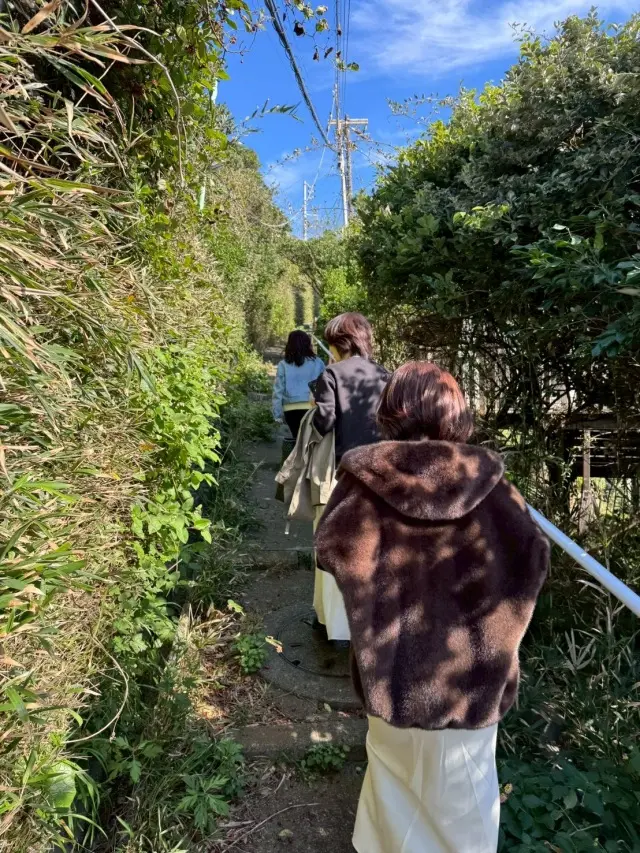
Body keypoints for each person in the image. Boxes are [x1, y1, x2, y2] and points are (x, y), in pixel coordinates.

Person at [315, 361, 550, 853]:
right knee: (464, 806)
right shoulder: (490, 484)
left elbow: (330, 546)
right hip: (472, 684)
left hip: (390, 679)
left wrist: (371, 599)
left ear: (391, 409)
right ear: (456, 412)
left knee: (392, 792)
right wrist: (498, 630)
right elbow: (532, 558)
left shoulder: (363, 480)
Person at [311, 312, 389, 646]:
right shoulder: (385, 375)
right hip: (381, 477)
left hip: (341, 476)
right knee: (370, 551)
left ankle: (333, 627)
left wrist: (315, 408)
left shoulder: (332, 374)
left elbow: (323, 422)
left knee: (332, 546)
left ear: (340, 342)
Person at [272, 331, 325, 440]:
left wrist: (277, 414)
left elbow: (278, 391)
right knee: (310, 441)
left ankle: (296, 455)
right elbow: (324, 386)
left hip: (290, 409)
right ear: (308, 344)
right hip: (312, 407)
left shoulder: (284, 364)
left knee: (297, 439)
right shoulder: (318, 362)